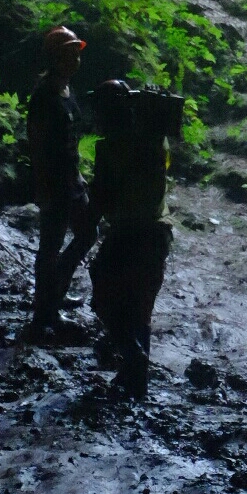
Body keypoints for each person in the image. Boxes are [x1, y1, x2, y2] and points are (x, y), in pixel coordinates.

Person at [88, 80, 178, 399]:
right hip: (157, 235)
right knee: (141, 309)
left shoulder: (109, 147)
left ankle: (132, 357)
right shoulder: (156, 142)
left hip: (127, 235)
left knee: (104, 297)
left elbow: (102, 199)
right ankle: (137, 382)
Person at [25, 25, 98, 341]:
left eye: (76, 54)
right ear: (54, 58)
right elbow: (39, 146)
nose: (74, 60)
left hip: (72, 180)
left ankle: (56, 290)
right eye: (68, 55)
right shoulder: (44, 97)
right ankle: (45, 313)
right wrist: (44, 189)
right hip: (54, 184)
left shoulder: (68, 92)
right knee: (50, 247)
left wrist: (80, 176)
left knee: (87, 233)